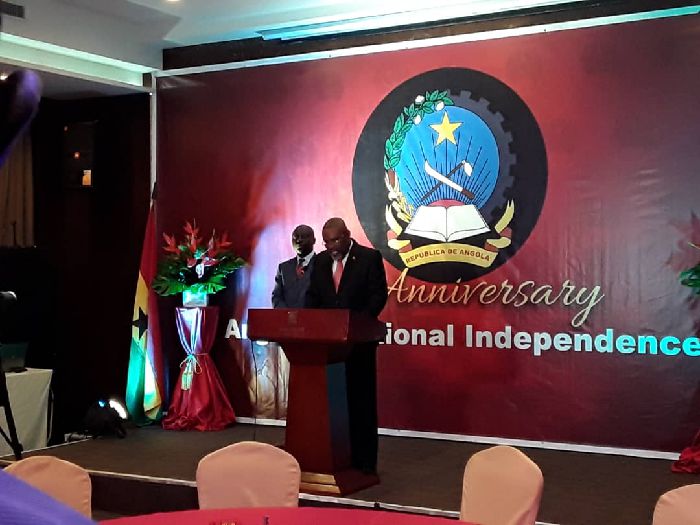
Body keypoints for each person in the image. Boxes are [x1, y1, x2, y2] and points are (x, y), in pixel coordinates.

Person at [305, 217, 388, 474]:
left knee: (361, 403)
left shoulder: (369, 258)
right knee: (332, 405)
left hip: (359, 345)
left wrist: (356, 325)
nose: (331, 247)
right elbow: (313, 297)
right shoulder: (320, 262)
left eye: (335, 241)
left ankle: (364, 464)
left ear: (347, 235)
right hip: (328, 347)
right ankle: (336, 460)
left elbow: (378, 296)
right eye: (327, 242)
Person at [271, 224, 316, 308]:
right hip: (286, 316)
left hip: (314, 315)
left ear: (314, 240)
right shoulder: (283, 268)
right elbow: (276, 297)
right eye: (295, 237)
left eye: (303, 237)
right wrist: (288, 313)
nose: (298, 240)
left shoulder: (321, 264)